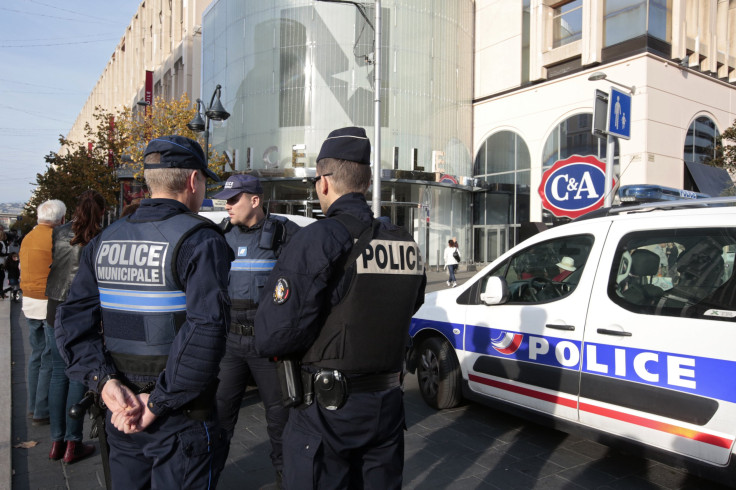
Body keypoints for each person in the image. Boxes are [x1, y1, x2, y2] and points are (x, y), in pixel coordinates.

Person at [55, 136, 232, 489]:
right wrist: (158, 402)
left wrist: (103, 382)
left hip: (121, 413)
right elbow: (205, 330)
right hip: (177, 417)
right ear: (194, 181)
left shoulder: (105, 240)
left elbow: (73, 320)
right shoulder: (201, 239)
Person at [255, 126, 427, 489]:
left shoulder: (319, 237)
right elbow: (411, 303)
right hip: (386, 409)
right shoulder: (404, 241)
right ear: (364, 180)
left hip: (327, 415)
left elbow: (273, 335)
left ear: (324, 182)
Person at [212, 174, 300, 487]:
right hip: (231, 345)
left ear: (255, 200)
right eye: (226, 199)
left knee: (280, 419)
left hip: (269, 345)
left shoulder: (286, 234)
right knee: (219, 417)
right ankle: (207, 477)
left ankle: (285, 478)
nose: (228, 205)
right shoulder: (219, 235)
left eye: (234, 199)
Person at [44, 191, 106, 464]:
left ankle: (57, 442)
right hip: (81, 310)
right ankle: (73, 442)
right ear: (102, 212)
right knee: (77, 377)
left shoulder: (59, 233)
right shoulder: (101, 237)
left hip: (54, 305)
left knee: (58, 375)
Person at [21, 199, 66, 426]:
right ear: (61, 219)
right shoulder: (55, 238)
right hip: (46, 302)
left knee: (36, 355)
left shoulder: (29, 237)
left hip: (28, 301)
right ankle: (42, 409)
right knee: (49, 357)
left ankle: (32, 406)